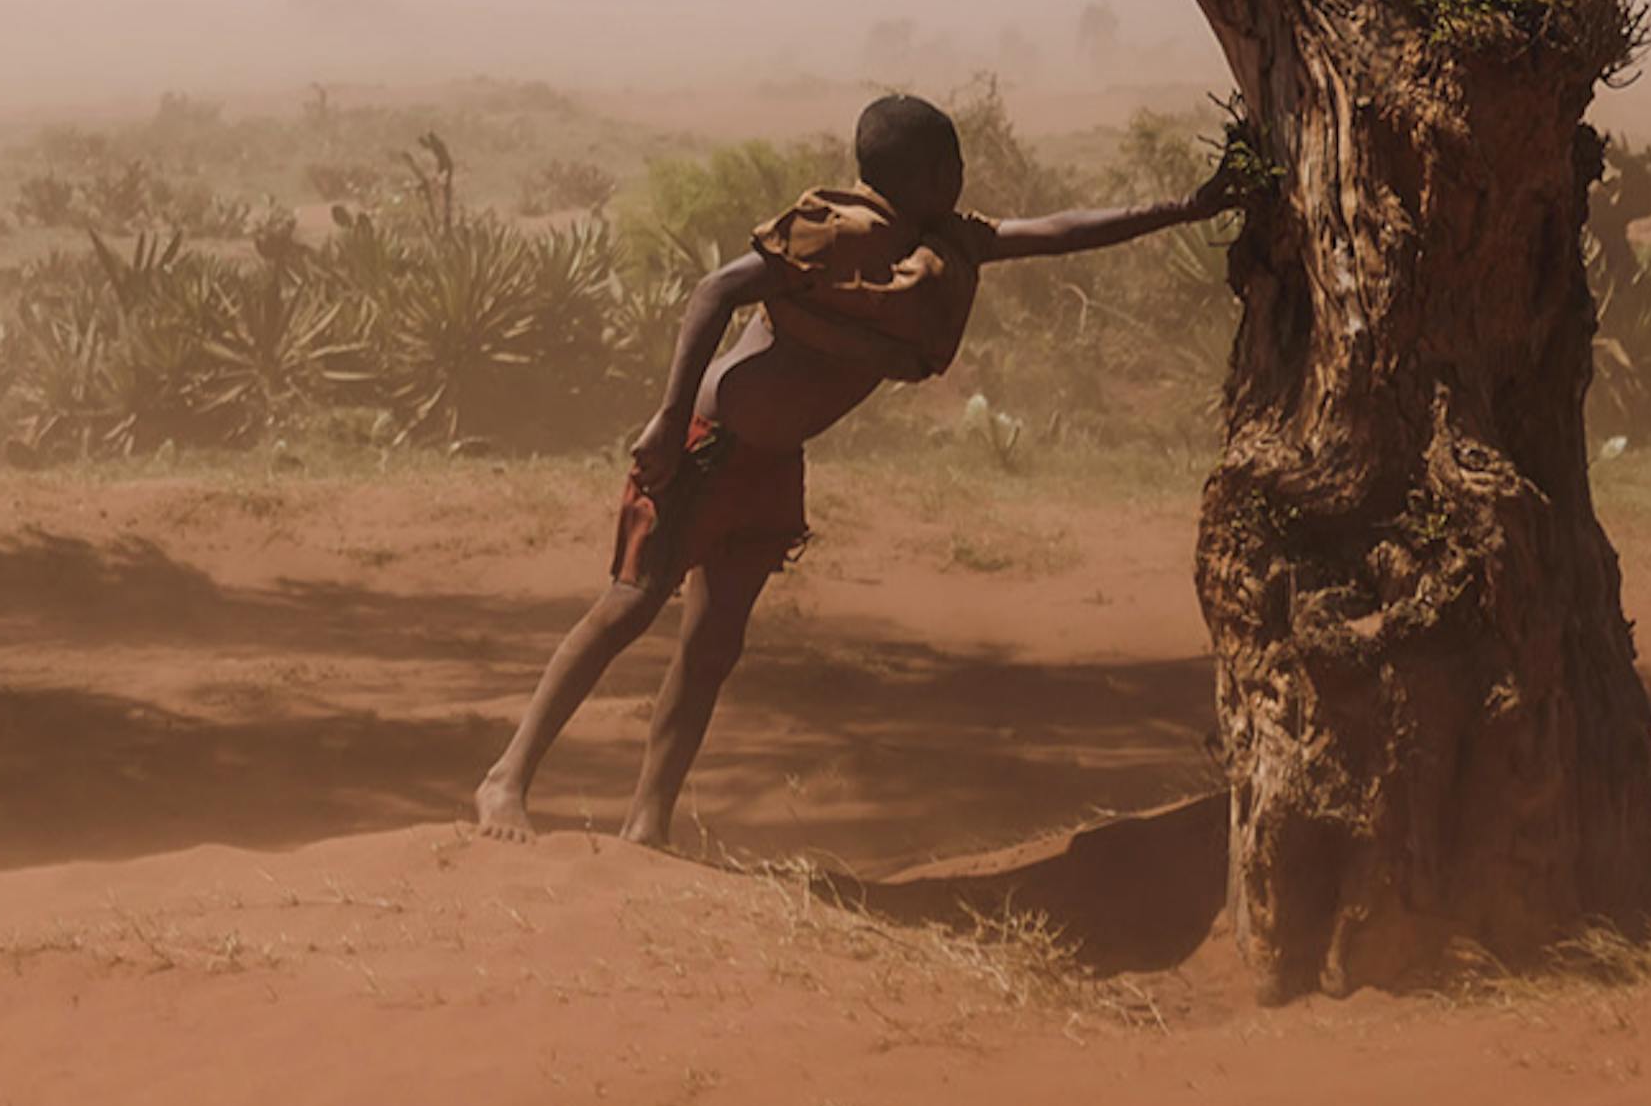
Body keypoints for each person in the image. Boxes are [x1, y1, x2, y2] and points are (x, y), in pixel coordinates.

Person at [470, 89, 1249, 849]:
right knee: (630, 608)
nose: (961, 178)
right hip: (711, 444)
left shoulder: (948, 243)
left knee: (712, 647)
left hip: (773, 465)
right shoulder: (833, 233)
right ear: (919, 175)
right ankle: (507, 776)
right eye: (950, 164)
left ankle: (649, 821)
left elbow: (1058, 231)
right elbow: (716, 291)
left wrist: (1185, 207)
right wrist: (670, 417)